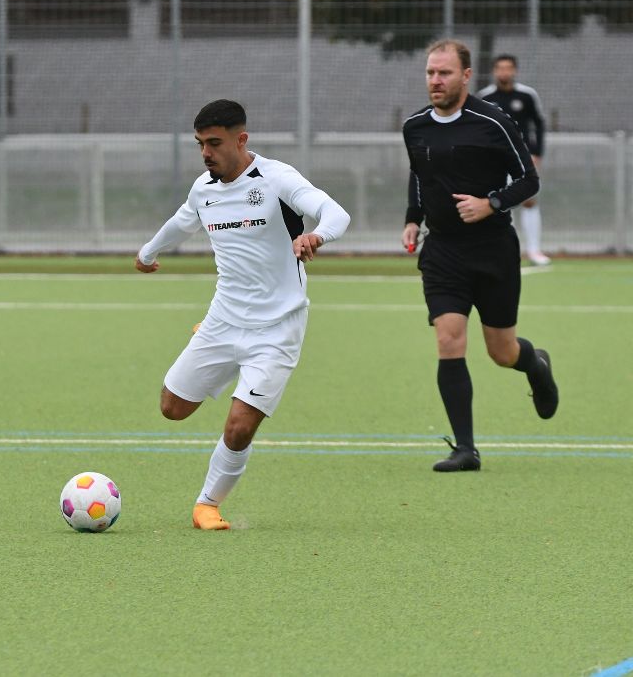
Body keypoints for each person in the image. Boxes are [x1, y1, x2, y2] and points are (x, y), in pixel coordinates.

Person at [135, 99, 350, 528]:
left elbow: (335, 212)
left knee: (238, 427)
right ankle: (218, 346)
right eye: (200, 144)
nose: (205, 153)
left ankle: (206, 505)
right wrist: (148, 253)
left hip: (277, 328)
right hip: (223, 320)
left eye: (214, 143)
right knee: (172, 408)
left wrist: (317, 236)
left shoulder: (276, 178)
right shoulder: (203, 189)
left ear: (241, 139)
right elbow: (182, 222)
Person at [401, 40, 558, 472]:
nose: (436, 80)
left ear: (466, 76)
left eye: (445, 73)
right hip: (442, 252)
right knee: (449, 339)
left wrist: (491, 203)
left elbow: (529, 180)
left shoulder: (494, 121)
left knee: (502, 352)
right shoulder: (415, 126)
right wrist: (413, 219)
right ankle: (466, 449)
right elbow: (419, 176)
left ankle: (536, 366)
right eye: (431, 73)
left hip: (493, 251)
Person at [476, 54, 549, 265]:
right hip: (494, 160)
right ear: (494, 71)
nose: (504, 72)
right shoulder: (485, 97)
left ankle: (534, 250)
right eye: (500, 68)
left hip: (522, 159)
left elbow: (539, 124)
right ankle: (504, 250)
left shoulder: (527, 95)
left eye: (508, 68)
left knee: (529, 200)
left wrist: (537, 153)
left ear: (514, 70)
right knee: (498, 202)